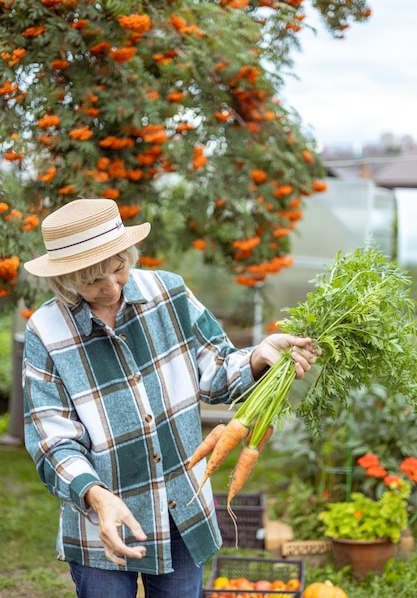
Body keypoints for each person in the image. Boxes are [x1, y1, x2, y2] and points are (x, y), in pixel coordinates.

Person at [22, 198, 319, 598]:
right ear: (63, 279)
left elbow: (216, 373)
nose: (111, 288)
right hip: (101, 524)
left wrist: (257, 357)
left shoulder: (170, 293)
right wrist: (96, 496)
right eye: (93, 281)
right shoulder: (46, 331)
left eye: (118, 268)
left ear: (128, 253)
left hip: (183, 509)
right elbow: (53, 439)